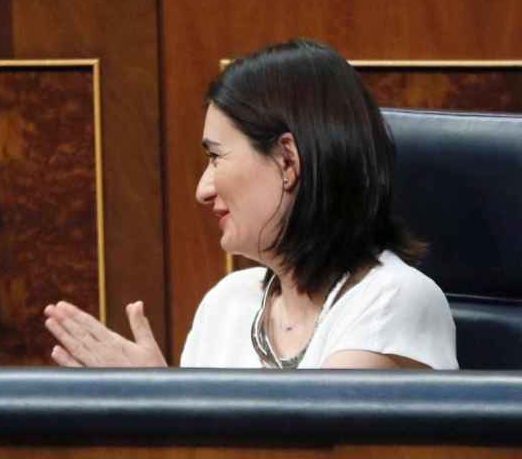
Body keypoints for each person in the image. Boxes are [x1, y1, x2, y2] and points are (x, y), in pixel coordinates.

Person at [44, 39, 457, 370]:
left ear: (287, 161)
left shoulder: (394, 299)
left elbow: (313, 449)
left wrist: (162, 409)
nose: (202, 190)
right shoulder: (227, 303)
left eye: (216, 157)